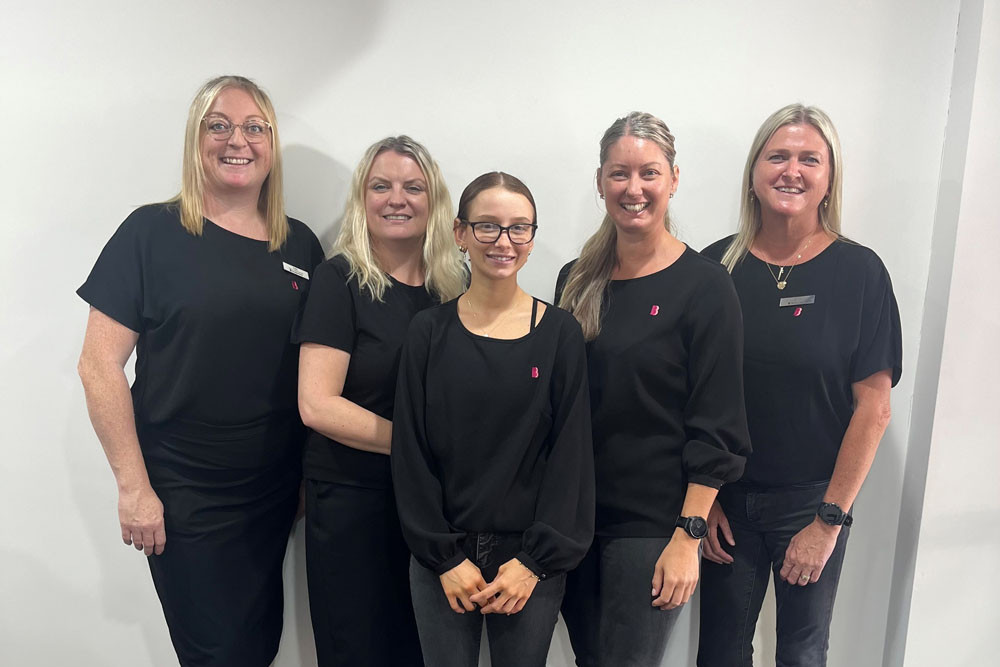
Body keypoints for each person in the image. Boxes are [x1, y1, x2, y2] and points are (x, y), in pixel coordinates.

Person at [76, 75, 323, 666]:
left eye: (254, 127)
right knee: (220, 653)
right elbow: (98, 366)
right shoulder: (151, 232)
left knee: (259, 643)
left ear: (271, 143)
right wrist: (134, 487)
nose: (237, 140)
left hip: (271, 490)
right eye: (219, 125)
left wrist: (304, 482)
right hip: (183, 491)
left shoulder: (301, 246)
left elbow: (313, 372)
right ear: (196, 139)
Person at [698, 104, 902, 667]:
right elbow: (694, 395)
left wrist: (828, 521)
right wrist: (701, 499)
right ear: (754, 171)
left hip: (812, 502)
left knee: (802, 653)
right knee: (718, 652)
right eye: (778, 156)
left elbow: (874, 408)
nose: (792, 170)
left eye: (809, 159)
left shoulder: (860, 272)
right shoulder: (717, 268)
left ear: (829, 177)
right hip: (727, 504)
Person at [556, 111, 751, 667]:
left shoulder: (707, 285)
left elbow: (718, 418)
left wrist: (688, 534)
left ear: (674, 178)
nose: (633, 188)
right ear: (600, 182)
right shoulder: (576, 279)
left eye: (649, 173)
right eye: (619, 174)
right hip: (575, 524)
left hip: (654, 529)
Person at [391, 172, 594, 667]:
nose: (504, 242)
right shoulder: (428, 332)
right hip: (442, 560)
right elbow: (410, 454)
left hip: (528, 561)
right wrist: (444, 557)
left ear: (530, 238)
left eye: (518, 228)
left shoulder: (560, 334)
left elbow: (571, 459)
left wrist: (533, 563)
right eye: (488, 226)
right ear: (460, 234)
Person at [294, 136, 465, 666]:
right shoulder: (338, 280)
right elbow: (317, 404)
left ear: (434, 201)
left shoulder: (454, 288)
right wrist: (415, 448)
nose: (397, 198)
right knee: (359, 651)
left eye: (414, 187)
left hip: (433, 509)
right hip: (353, 505)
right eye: (381, 186)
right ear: (361, 198)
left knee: (423, 651)